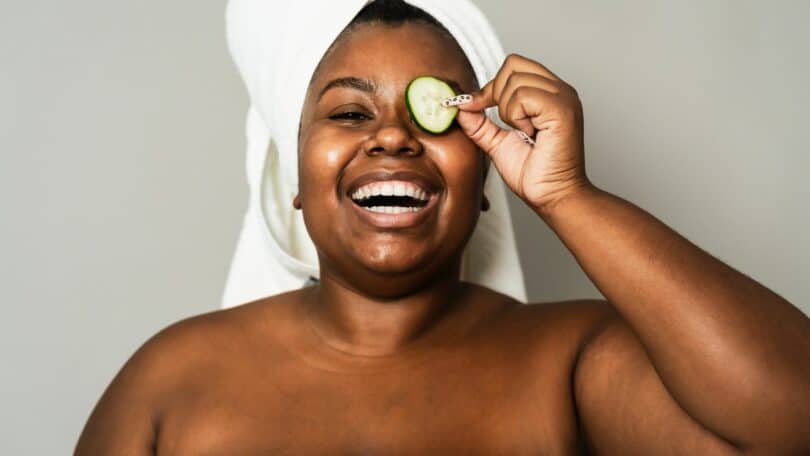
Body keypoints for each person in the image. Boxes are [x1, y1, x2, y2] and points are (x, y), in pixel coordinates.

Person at [75, 1, 810, 454]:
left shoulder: (570, 364)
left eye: (433, 114)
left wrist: (567, 196)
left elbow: (790, 425)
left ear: (488, 177)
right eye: (349, 112)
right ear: (291, 180)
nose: (392, 137)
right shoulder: (168, 382)